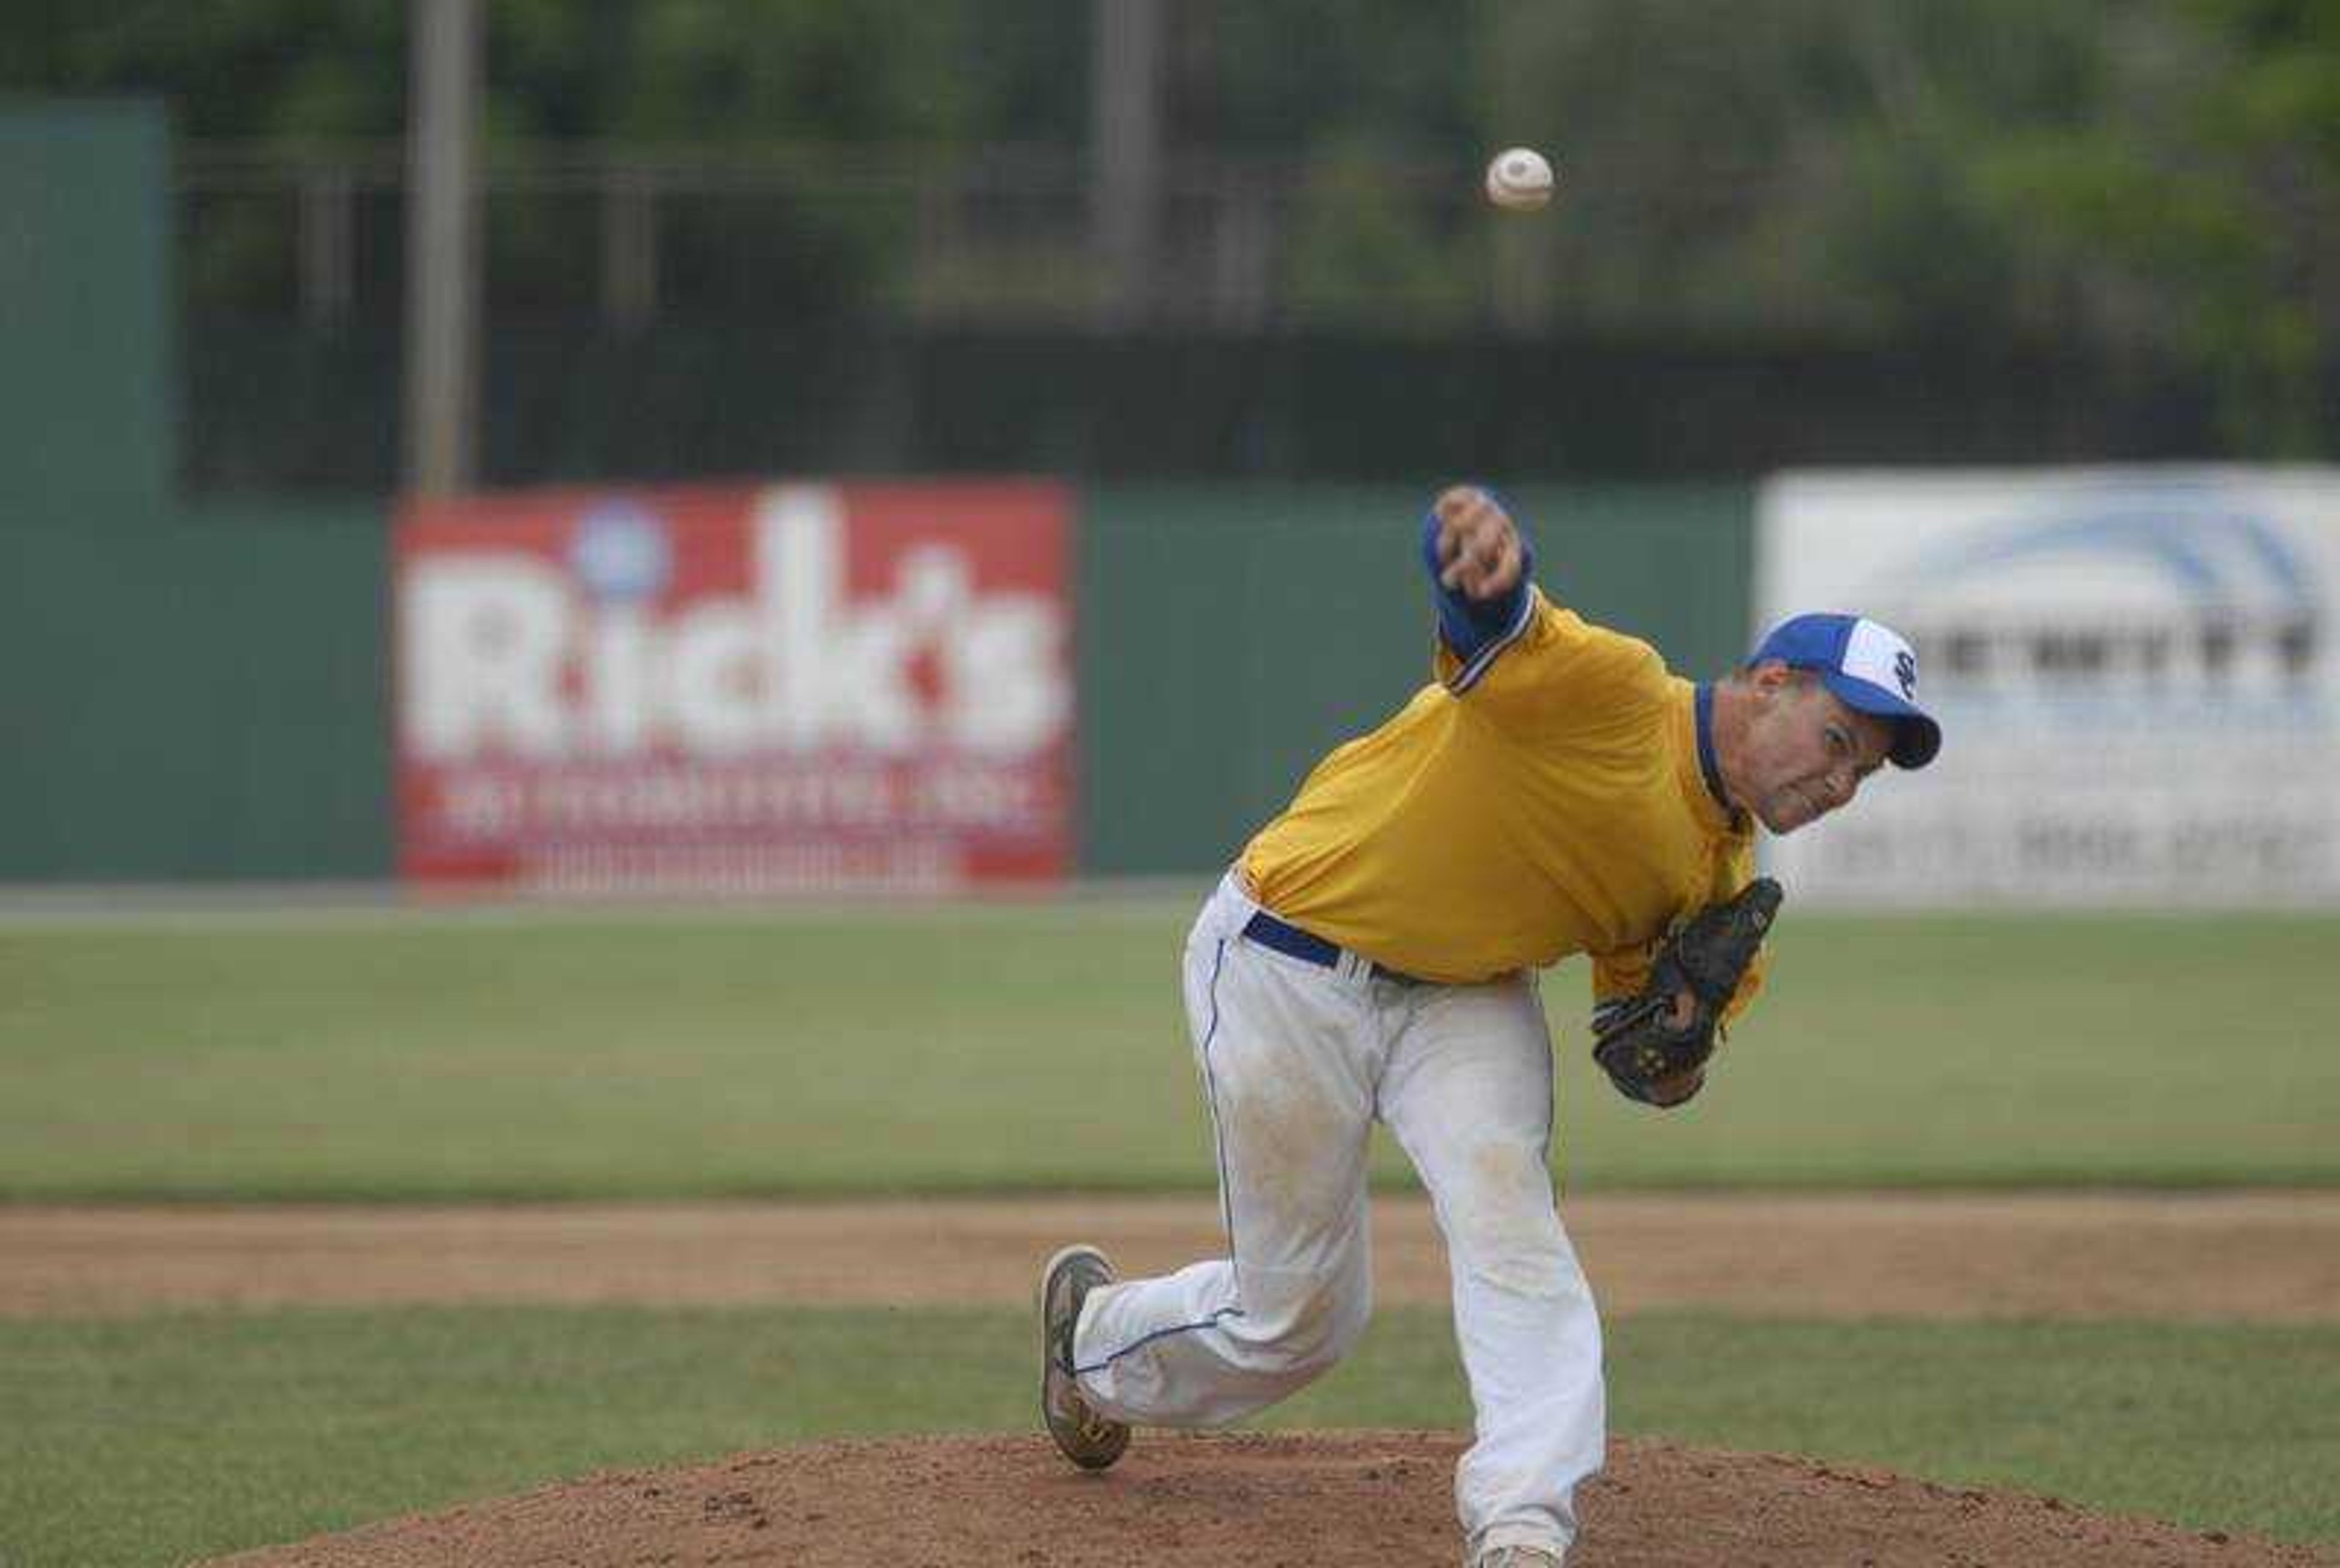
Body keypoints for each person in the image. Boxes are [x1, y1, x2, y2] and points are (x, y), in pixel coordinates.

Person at [1038, 484, 1941, 1567]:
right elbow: (1494, 628)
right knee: (1300, 1320)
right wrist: (1482, 570)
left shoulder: (1718, 877)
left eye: (1862, 769)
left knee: (1516, 1228)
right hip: (1287, 950)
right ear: (1771, 681)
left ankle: (1523, 1525)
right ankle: (1091, 1343)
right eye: (1836, 737)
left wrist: (1680, 1037)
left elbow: (1645, 1066)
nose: (1839, 779)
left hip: (1465, 995)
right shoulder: (1616, 692)